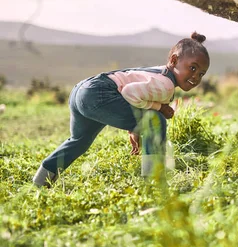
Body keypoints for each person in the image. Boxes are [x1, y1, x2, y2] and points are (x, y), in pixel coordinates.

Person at [32, 32, 210, 187]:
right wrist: (160, 107)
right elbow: (129, 92)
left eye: (201, 73)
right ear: (174, 60)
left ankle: (41, 180)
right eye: (192, 68)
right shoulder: (166, 85)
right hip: (99, 94)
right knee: (156, 121)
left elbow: (133, 96)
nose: (196, 76)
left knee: (80, 140)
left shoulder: (159, 73)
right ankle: (154, 182)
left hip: (83, 90)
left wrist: (134, 125)